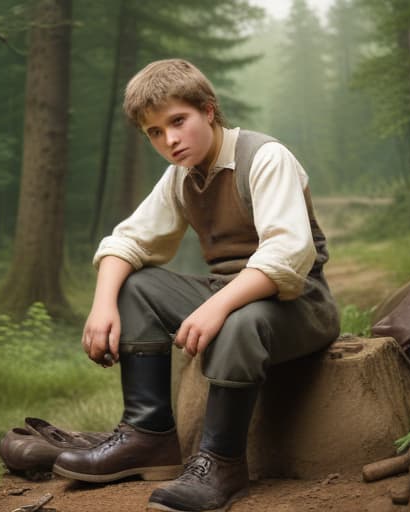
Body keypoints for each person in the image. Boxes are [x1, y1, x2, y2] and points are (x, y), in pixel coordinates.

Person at [53, 59, 340, 512]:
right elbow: (127, 240)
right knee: (135, 286)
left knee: (239, 324)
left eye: (178, 121)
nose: (169, 140)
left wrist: (216, 307)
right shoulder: (181, 176)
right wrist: (103, 304)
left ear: (208, 111)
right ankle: (148, 436)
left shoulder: (264, 157)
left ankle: (221, 462)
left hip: (299, 302)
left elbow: (288, 257)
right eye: (154, 132)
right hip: (230, 292)